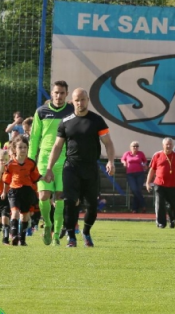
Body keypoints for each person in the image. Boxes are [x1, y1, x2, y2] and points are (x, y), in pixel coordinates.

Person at [43, 88, 116, 248]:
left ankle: (86, 232)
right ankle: (71, 237)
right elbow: (57, 146)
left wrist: (110, 161)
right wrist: (49, 168)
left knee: (92, 205)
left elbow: (108, 143)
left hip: (90, 168)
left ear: (87, 100)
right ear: (72, 101)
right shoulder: (66, 121)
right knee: (70, 202)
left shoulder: (97, 120)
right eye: (77, 100)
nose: (80, 103)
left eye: (82, 99)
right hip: (71, 167)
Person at [29, 80, 74, 246]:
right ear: (52, 93)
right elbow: (34, 137)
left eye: (62, 93)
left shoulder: (71, 111)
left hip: (64, 159)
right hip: (44, 158)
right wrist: (30, 160)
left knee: (60, 197)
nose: (59, 96)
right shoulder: (41, 111)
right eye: (56, 92)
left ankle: (56, 236)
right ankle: (47, 224)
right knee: (43, 195)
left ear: (66, 94)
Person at [0, 136, 42, 246]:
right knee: (15, 212)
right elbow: (6, 180)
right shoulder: (10, 164)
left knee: (24, 216)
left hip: (27, 191)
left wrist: (45, 177)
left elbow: (35, 177)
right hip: (14, 191)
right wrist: (4, 192)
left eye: (25, 147)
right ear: (15, 149)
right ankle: (14, 235)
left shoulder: (31, 163)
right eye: (20, 147)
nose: (23, 149)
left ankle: (22, 239)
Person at [146, 137, 175, 228]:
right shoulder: (157, 155)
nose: (168, 146)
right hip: (159, 184)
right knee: (160, 203)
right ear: (163, 145)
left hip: (172, 184)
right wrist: (148, 182)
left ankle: (172, 220)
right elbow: (152, 170)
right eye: (167, 144)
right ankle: (161, 222)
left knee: (172, 204)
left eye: (170, 144)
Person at [121, 141, 148, 213]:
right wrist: (124, 163)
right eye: (134, 146)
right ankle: (143, 204)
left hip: (140, 174)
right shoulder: (127, 153)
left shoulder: (141, 153)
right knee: (134, 189)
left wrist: (145, 165)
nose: (135, 148)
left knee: (138, 190)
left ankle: (134, 209)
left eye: (137, 146)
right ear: (130, 147)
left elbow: (145, 161)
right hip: (130, 174)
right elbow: (123, 159)